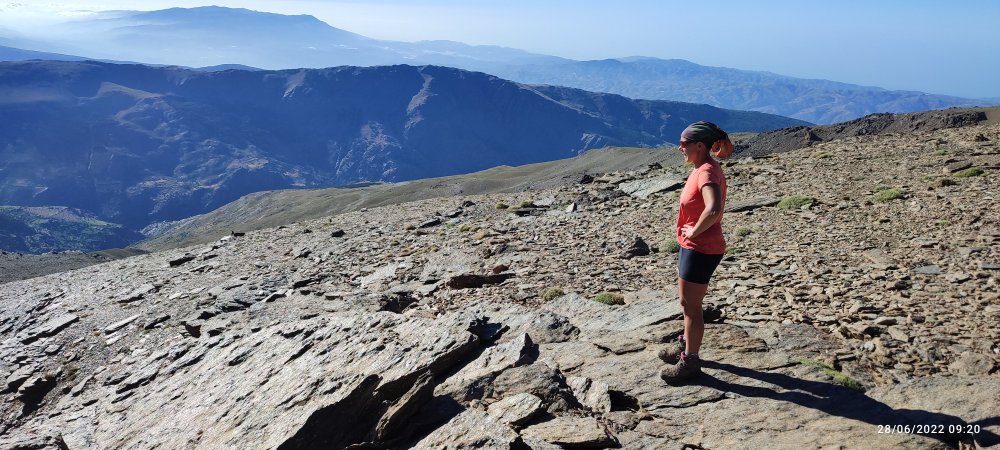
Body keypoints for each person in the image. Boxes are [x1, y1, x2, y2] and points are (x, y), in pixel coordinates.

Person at [659, 121, 733, 384]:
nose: (680, 148)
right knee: (687, 303)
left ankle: (690, 361)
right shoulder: (701, 168)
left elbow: (713, 208)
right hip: (694, 247)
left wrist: (694, 232)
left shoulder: (707, 172)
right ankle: (686, 345)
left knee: (692, 307)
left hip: (701, 248)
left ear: (700, 146)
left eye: (683, 144)